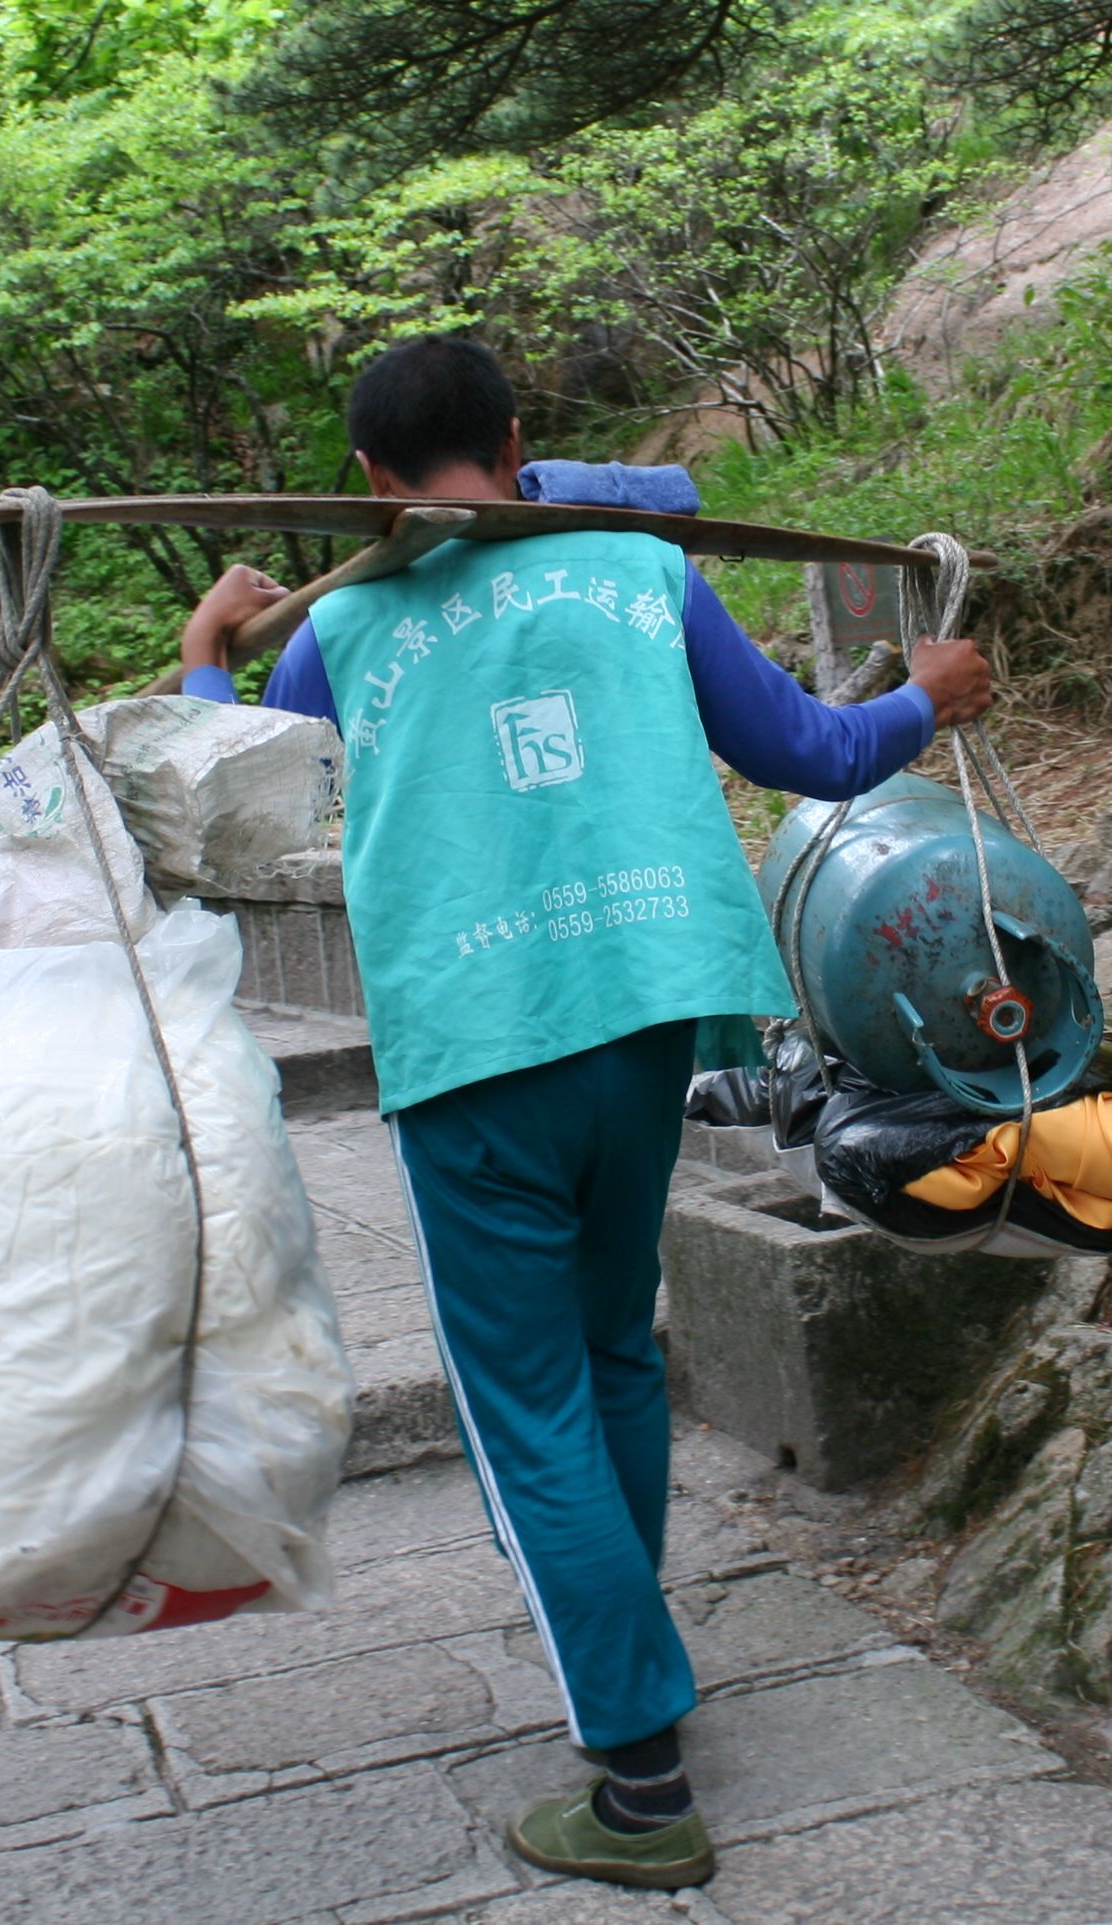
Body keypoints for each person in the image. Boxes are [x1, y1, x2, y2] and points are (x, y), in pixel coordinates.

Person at [175, 335, 995, 1891]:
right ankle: (634, 1650)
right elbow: (811, 751)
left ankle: (638, 1783)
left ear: (369, 479)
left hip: (477, 1051)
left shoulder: (336, 627)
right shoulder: (640, 571)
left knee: (524, 1403)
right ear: (516, 440)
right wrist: (924, 699)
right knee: (614, 1349)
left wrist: (210, 651)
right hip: (646, 1022)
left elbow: (231, 805)